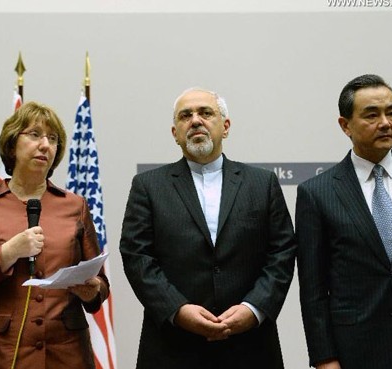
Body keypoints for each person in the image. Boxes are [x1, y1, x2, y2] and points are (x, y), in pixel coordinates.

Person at [119, 87, 296, 369]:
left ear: (225, 127)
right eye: (185, 115)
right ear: (175, 132)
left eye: (205, 113)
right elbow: (137, 256)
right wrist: (177, 310)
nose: (196, 120)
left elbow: (282, 253)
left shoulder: (262, 184)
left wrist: (253, 309)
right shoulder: (148, 186)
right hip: (172, 347)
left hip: (250, 346)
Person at [0, 101, 110, 369]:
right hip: (1, 354)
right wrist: (7, 253)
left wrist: (91, 291)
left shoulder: (75, 206)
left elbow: (100, 285)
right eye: (34, 135)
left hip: (66, 354)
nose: (45, 144)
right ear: (12, 145)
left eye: (53, 138)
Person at [296, 74, 392, 369]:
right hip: (358, 348)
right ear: (345, 125)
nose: (385, 122)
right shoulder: (317, 193)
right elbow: (313, 289)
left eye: (391, 112)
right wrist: (324, 357)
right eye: (372, 115)